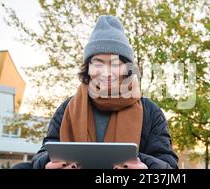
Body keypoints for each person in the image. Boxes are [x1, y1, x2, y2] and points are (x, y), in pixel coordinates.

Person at [23, 15, 178, 169]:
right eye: (98, 63)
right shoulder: (67, 108)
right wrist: (47, 164)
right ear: (88, 68)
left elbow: (169, 166)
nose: (106, 72)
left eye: (115, 64)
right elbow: (43, 154)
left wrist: (143, 166)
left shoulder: (150, 112)